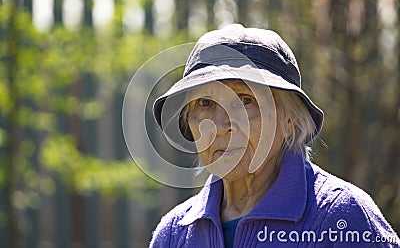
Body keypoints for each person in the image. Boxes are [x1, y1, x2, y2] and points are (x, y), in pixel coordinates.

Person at [149, 24, 399, 247]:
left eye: (246, 101)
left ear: (290, 121)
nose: (221, 125)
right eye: (206, 103)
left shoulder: (340, 218)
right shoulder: (174, 235)